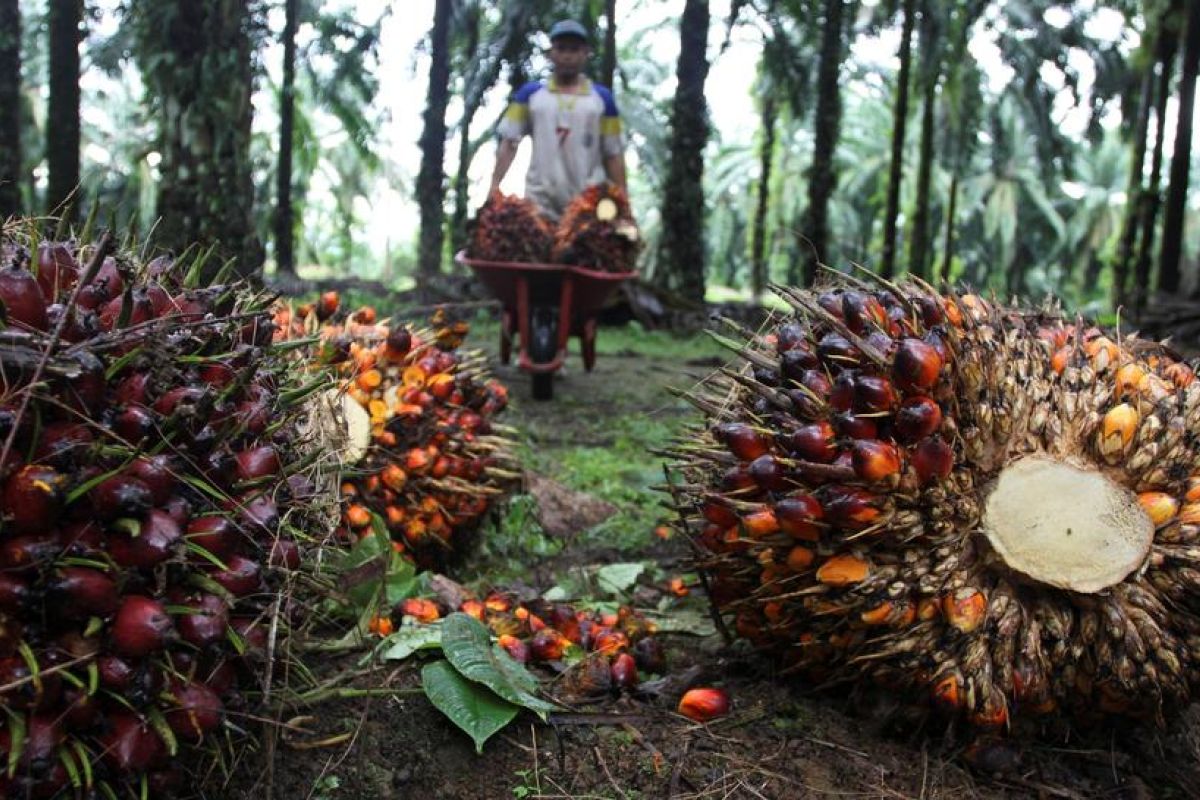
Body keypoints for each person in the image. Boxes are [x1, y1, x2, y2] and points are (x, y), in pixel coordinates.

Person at [489, 19, 628, 221]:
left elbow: (613, 153)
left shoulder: (602, 100)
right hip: (539, 206)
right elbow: (509, 142)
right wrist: (494, 186)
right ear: (550, 53)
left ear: (586, 53)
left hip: (588, 207)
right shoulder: (531, 95)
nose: (567, 56)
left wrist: (623, 202)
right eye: (561, 48)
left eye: (574, 49)